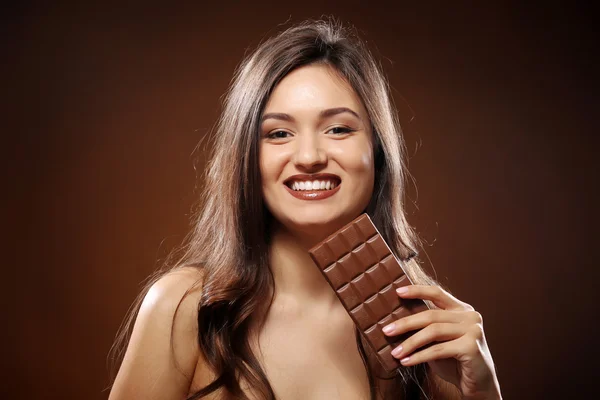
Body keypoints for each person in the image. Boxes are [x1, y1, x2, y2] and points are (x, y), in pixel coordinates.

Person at [108, 18, 502, 400]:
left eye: (338, 129)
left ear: (378, 152)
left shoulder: (426, 324)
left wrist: (483, 393)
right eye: (279, 133)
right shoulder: (185, 308)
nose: (310, 157)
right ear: (246, 156)